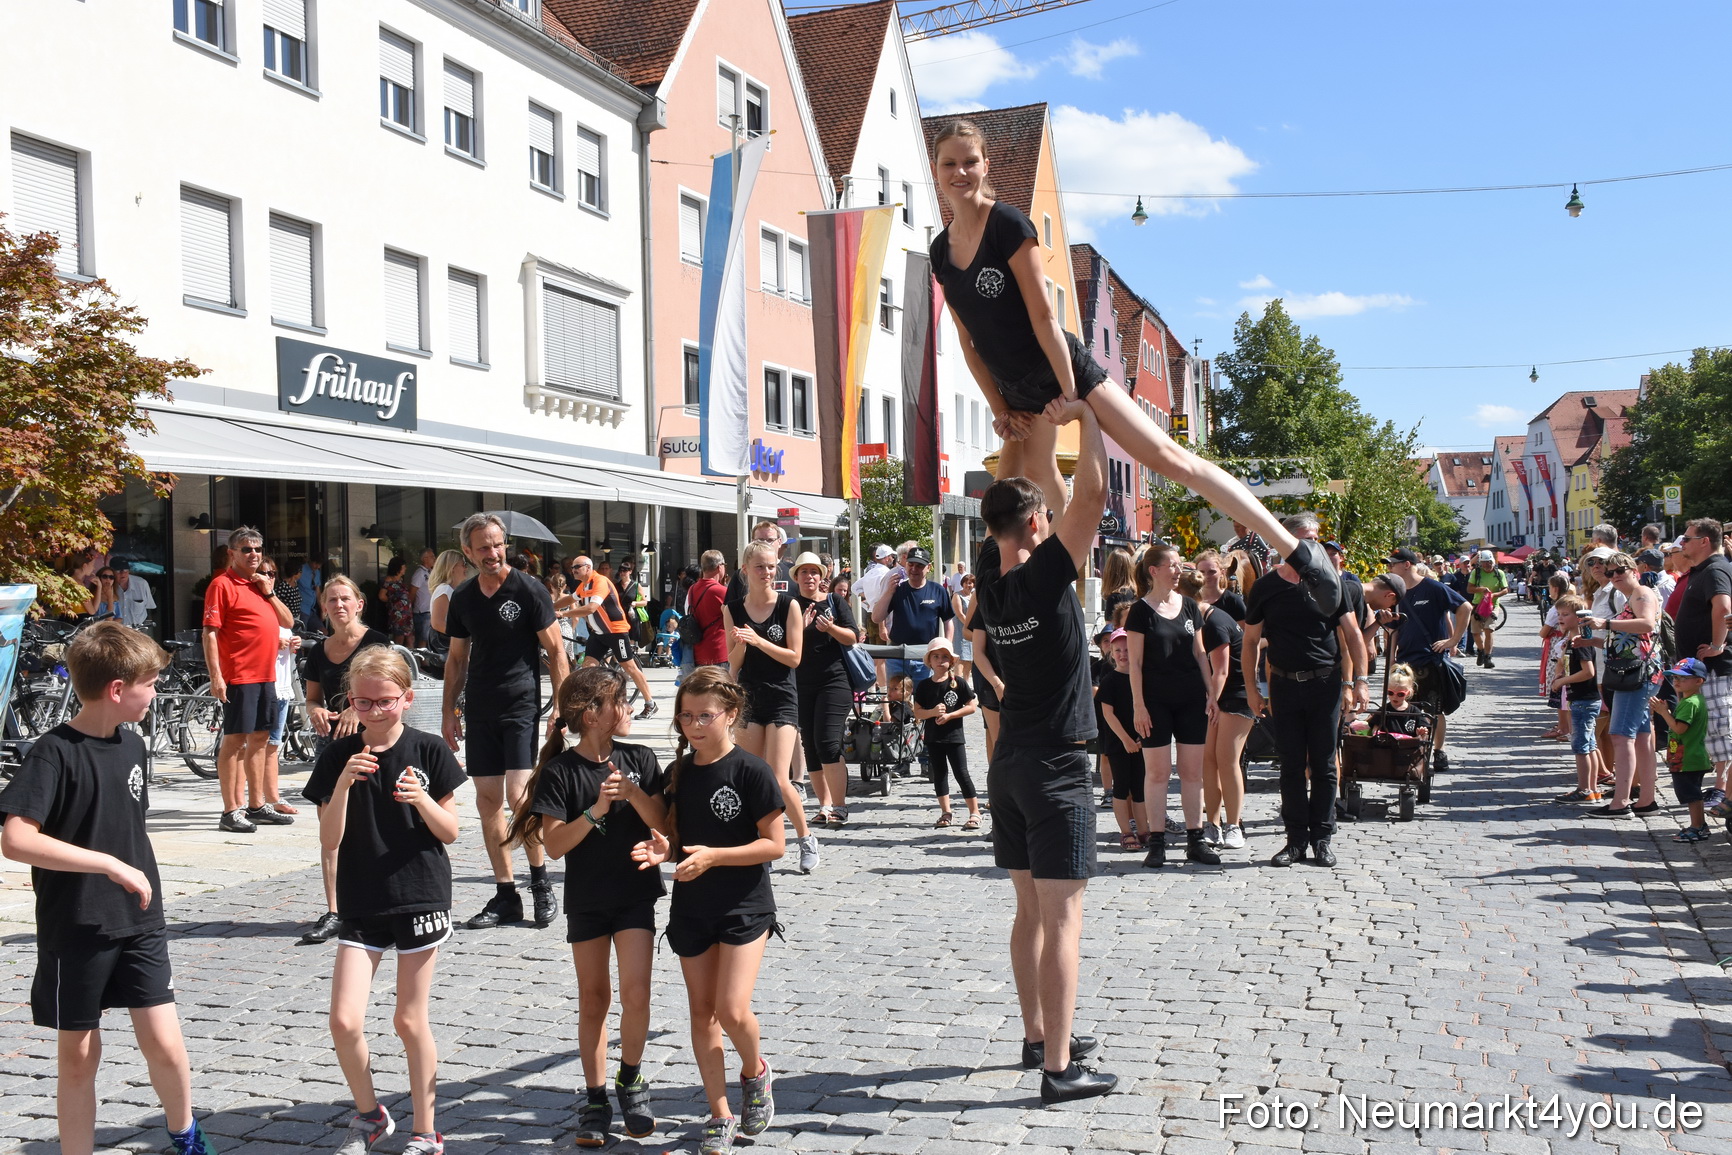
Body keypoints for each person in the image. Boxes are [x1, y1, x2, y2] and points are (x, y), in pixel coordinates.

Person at [928, 119, 1340, 616]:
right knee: (1018, 496)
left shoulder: (1008, 225)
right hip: (1015, 391)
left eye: (969, 161)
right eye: (950, 163)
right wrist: (999, 409)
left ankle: (1298, 552)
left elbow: (1044, 318)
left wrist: (1071, 395)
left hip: (1063, 373)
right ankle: (1048, 602)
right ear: (936, 169)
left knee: (1170, 459)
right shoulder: (942, 250)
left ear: (985, 165)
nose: (960, 172)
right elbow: (968, 340)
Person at [0, 622, 215, 1155]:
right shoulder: (52, 753)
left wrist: (128, 870)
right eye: (150, 682)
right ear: (118, 689)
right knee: (78, 1056)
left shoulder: (135, 744)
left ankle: (186, 1134)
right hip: (76, 926)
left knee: (165, 1043)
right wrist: (107, 865)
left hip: (140, 918)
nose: (156, 692)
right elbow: (16, 839)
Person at [973, 398, 1116, 1103]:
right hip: (1057, 762)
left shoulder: (990, 580)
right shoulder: (1046, 572)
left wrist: (1017, 437)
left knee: (1029, 911)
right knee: (1062, 917)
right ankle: (1059, 1069)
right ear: (1038, 524)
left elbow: (1000, 499)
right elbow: (1091, 493)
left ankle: (1036, 1033)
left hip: (1009, 763)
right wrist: (1088, 422)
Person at [303, 645, 463, 1155]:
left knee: (408, 1019)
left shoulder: (430, 750)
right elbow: (329, 840)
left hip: (418, 893)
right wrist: (345, 784)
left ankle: (426, 1130)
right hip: (360, 898)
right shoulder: (337, 755)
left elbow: (452, 830)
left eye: (385, 702)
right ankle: (371, 1113)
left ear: (406, 698)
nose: (374, 711)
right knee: (344, 1020)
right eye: (364, 703)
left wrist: (420, 801)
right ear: (351, 701)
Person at [629, 667, 785, 1155]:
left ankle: (755, 1072)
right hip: (692, 907)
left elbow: (775, 845)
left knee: (732, 1009)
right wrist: (665, 852)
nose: (695, 725)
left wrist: (716, 856)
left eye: (706, 716)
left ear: (731, 715)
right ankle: (719, 1112)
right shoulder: (679, 774)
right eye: (686, 717)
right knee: (702, 1012)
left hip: (744, 905)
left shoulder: (751, 770)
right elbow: (679, 839)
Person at [509, 667, 667, 1147]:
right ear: (592, 713)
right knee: (594, 998)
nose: (626, 709)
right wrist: (596, 810)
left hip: (636, 892)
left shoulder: (639, 757)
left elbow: (664, 823)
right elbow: (554, 846)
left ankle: (631, 1080)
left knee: (637, 993)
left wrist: (634, 793)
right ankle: (596, 1096)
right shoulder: (560, 772)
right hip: (589, 899)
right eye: (618, 701)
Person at [443, 513, 570, 930]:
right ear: (468, 551)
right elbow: (457, 658)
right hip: (480, 706)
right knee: (486, 802)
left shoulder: (529, 589)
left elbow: (556, 652)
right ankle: (505, 893)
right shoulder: (462, 597)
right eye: (483, 547)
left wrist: (561, 707)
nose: (493, 553)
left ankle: (540, 882)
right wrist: (448, 711)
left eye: (497, 544)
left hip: (520, 704)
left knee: (519, 795)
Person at [1243, 514, 1369, 869]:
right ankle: (1296, 839)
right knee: (1291, 766)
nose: (1312, 545)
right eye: (1304, 538)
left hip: (1324, 683)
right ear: (1286, 542)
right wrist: (1253, 689)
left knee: (1325, 765)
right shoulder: (1267, 587)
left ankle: (1322, 839)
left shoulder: (1330, 583)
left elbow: (1353, 633)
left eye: (1316, 538)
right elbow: (1251, 642)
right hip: (1283, 684)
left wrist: (1359, 680)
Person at [298, 576, 391, 945]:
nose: (338, 605)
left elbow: (388, 693)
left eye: (344, 599)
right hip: (330, 745)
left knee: (376, 822)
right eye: (331, 600)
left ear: (358, 604)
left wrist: (359, 709)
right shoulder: (319, 651)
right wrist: (316, 710)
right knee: (330, 826)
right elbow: (311, 698)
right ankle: (335, 909)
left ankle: (380, 900)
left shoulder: (376, 642)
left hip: (372, 742)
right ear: (324, 608)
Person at [724, 541, 817, 873]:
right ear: (745, 569)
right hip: (749, 696)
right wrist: (739, 645)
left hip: (781, 696)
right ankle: (763, 845)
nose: (766, 572)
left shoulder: (788, 605)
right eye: (759, 566)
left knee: (778, 778)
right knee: (753, 777)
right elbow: (733, 662)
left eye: (771, 566)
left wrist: (759, 640)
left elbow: (794, 657)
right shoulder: (732, 607)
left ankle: (806, 839)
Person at [1124, 543, 1219, 868]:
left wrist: (1211, 694)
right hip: (1154, 702)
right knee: (1158, 773)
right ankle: (1158, 842)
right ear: (1154, 571)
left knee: (1193, 773)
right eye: (1174, 564)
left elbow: (1199, 654)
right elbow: (1134, 664)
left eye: (1180, 564)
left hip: (1192, 699)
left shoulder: (1191, 607)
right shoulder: (1140, 611)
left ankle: (1195, 839)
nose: (1180, 570)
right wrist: (1138, 706)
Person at [201, 526, 295, 834]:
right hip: (239, 675)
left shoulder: (260, 585)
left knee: (259, 738)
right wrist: (216, 676)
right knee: (235, 740)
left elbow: (288, 621)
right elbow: (210, 633)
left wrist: (268, 590)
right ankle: (231, 810)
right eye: (246, 549)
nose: (253, 554)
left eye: (257, 549)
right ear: (232, 553)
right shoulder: (221, 584)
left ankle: (257, 806)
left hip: (267, 673)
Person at [1579, 552, 1664, 818]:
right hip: (1637, 673)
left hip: (1637, 676)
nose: (1614, 575)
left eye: (1620, 571)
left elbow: (1647, 624)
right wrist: (1593, 641)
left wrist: (1606, 623)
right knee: (1640, 737)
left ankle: (1621, 802)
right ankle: (1646, 801)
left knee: (1620, 735)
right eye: (1611, 572)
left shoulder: (1641, 594)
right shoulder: (1632, 596)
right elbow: (1629, 641)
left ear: (1634, 571)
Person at [1383, 548, 1470, 772]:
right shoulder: (1396, 593)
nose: (1389, 568)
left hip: (1431, 660)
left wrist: (1453, 641)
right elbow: (1394, 630)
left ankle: (1438, 751)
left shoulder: (1432, 587)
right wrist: (1391, 658)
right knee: (1403, 707)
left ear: (1407, 564)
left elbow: (1465, 607)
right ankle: (1410, 751)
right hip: (1405, 663)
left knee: (1434, 711)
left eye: (1393, 564)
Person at [1181, 569, 1249, 851]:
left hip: (1234, 697)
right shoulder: (1201, 618)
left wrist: (1212, 701)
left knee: (1227, 760)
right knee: (1208, 761)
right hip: (1215, 697)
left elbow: (1221, 671)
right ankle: (1213, 824)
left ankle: (1234, 826)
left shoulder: (1215, 623)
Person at [791, 553, 858, 828]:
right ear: (796, 577)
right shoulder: (789, 605)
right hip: (801, 683)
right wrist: (801, 629)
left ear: (822, 577)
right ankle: (824, 805)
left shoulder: (835, 601)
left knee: (829, 742)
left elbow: (853, 636)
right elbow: (785, 644)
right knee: (811, 746)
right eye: (804, 572)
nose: (809, 577)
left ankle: (840, 807)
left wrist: (831, 628)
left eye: (814, 572)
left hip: (835, 680)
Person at [1673, 520, 1732, 790]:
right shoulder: (1703, 570)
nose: (1682, 543)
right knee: (1711, 729)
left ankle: (1722, 790)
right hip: (1700, 668)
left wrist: (1717, 645)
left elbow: (1723, 608)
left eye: (1686, 539)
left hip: (1714, 666)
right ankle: (1721, 788)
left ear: (1704, 541)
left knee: (1721, 728)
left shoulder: (1715, 570)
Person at [567, 556, 659, 718]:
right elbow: (570, 598)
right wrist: (548, 607)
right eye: (573, 567)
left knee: (630, 667)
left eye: (577, 567)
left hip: (616, 632)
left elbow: (591, 608)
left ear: (588, 568)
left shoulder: (600, 581)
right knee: (587, 667)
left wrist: (563, 613)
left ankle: (650, 703)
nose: (573, 570)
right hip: (599, 634)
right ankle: (589, 704)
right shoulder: (584, 585)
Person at [913, 636, 980, 830]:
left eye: (944, 656)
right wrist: (932, 712)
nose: (940, 660)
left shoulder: (958, 682)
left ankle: (974, 812)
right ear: (930, 661)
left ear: (951, 660)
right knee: (940, 775)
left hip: (954, 737)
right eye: (936, 656)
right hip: (934, 738)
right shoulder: (924, 686)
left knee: (962, 773)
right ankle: (945, 812)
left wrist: (952, 715)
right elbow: (918, 712)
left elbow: (972, 706)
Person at [1094, 629, 1148, 850]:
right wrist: (1126, 739)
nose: (1123, 654)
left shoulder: (1144, 677)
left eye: (1127, 649)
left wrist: (1142, 738)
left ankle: (1144, 830)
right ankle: (1126, 832)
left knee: (1140, 788)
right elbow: (1108, 714)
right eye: (1118, 650)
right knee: (1121, 787)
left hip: (1141, 741)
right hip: (1118, 742)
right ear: (1111, 654)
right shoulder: (1109, 680)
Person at [1549, 595, 1605, 803]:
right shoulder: (1571, 641)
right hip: (1582, 699)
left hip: (1584, 699)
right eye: (1559, 614)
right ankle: (1592, 788)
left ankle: (1585, 789)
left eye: (1566, 614)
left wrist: (1562, 681)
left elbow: (1588, 672)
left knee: (1581, 746)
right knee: (1588, 745)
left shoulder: (1579, 642)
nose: (1561, 618)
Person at [872, 546, 954, 684]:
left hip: (926, 655)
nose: (914, 569)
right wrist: (889, 592)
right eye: (911, 564)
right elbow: (876, 617)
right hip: (898, 655)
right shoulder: (897, 589)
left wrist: (947, 648)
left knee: (925, 701)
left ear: (928, 567)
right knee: (898, 702)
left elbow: (948, 622)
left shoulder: (938, 590)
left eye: (919, 565)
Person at [685, 551, 731, 678]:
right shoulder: (721, 591)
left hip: (699, 651)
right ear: (720, 567)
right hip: (719, 651)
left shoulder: (692, 589)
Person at [726, 522, 794, 600]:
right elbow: (727, 608)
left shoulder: (792, 572)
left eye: (770, 540)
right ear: (752, 542)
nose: (765, 544)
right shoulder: (741, 574)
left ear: (779, 542)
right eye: (760, 540)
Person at [1466, 550, 1509, 668]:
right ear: (1480, 563)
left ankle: (1488, 657)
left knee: (1488, 630)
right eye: (1484, 563)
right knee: (1475, 632)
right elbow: (1469, 589)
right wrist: (1481, 589)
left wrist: (1495, 595)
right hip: (1477, 605)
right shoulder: (1476, 572)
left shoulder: (1499, 573)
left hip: (1492, 605)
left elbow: (1505, 589)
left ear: (1493, 562)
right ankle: (1481, 650)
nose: (1487, 565)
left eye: (1489, 562)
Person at [426, 550, 467, 642]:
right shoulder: (445, 590)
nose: (466, 568)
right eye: (463, 564)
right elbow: (437, 623)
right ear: (452, 568)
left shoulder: (450, 589)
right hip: (447, 648)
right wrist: (462, 636)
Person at [111, 558, 157, 630]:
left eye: (126, 570)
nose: (123, 573)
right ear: (112, 572)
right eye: (118, 570)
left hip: (138, 630)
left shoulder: (142, 584)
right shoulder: (108, 586)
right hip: (116, 631)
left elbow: (150, 609)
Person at [379, 557, 415, 649]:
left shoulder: (401, 580)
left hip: (407, 614)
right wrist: (394, 602)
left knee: (410, 639)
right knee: (399, 638)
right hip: (398, 614)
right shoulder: (389, 580)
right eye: (403, 567)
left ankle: (409, 660)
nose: (405, 569)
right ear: (398, 568)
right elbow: (382, 595)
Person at [950, 571, 977, 680]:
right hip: (961, 632)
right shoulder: (957, 595)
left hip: (973, 633)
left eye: (970, 583)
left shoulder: (974, 596)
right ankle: (957, 686)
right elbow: (960, 614)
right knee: (960, 659)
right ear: (962, 583)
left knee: (969, 660)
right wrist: (970, 627)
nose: (968, 585)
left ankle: (965, 686)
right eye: (966, 582)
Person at [410, 548, 436, 647]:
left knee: (428, 639)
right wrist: (410, 609)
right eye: (432, 556)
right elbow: (412, 593)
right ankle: (423, 662)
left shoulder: (430, 572)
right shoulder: (420, 573)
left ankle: (428, 660)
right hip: (422, 612)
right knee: (422, 639)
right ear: (425, 559)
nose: (434, 558)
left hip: (429, 611)